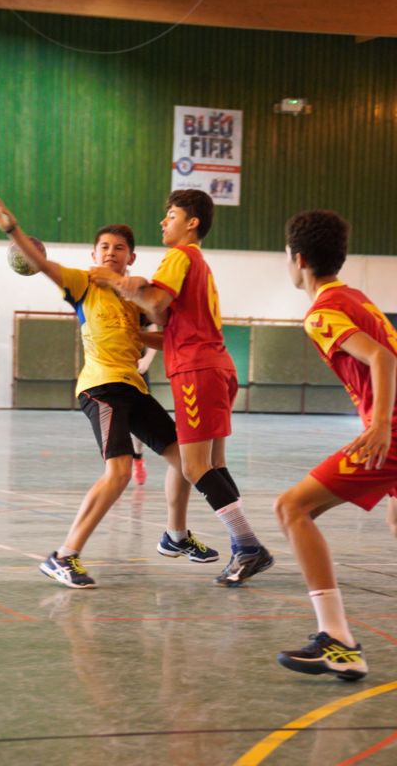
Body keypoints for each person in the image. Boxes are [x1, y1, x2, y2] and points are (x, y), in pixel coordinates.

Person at [0, 193, 218, 589]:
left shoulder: (133, 296)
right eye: (104, 247)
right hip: (101, 387)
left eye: (119, 248)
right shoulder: (82, 282)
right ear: (94, 254)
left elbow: (164, 329)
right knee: (120, 471)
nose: (111, 252)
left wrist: (156, 317)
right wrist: (13, 229)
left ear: (131, 257)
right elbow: (43, 265)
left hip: (133, 387)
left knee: (186, 461)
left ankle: (175, 535)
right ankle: (63, 556)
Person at [90, 189, 273, 586]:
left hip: (197, 371)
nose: (163, 221)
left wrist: (117, 281)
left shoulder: (180, 256)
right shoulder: (200, 265)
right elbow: (174, 330)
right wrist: (133, 333)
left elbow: (156, 301)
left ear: (192, 223)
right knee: (210, 464)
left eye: (170, 215)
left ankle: (248, 546)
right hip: (216, 366)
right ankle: (194, 537)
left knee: (193, 466)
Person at [274, 209, 397, 681]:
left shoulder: (322, 312)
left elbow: (382, 358)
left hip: (392, 432)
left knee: (292, 508)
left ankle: (337, 640)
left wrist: (381, 423)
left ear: (299, 259)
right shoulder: (356, 297)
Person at [131, 321, 158, 485]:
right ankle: (115, 466)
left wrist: (147, 359)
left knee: (139, 420)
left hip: (137, 371)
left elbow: (154, 334)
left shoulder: (141, 311)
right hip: (111, 370)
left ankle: (138, 458)